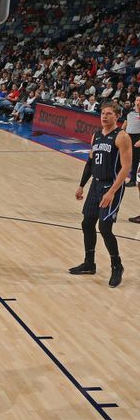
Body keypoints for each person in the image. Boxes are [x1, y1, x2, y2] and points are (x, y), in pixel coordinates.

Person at [70, 102, 132, 287]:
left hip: (111, 187)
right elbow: (90, 162)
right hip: (95, 186)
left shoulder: (122, 137)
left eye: (109, 113)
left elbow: (127, 167)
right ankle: (89, 263)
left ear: (117, 116)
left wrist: (112, 191)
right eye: (103, 113)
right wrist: (81, 185)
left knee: (105, 229)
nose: (104, 116)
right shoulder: (96, 135)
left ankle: (117, 266)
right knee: (87, 223)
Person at [121, 96, 140, 189]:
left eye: (139, 100)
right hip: (128, 136)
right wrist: (120, 132)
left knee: (135, 159)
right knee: (126, 157)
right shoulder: (130, 112)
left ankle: (133, 180)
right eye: (137, 100)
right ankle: (121, 176)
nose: (138, 101)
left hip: (137, 137)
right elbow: (125, 123)